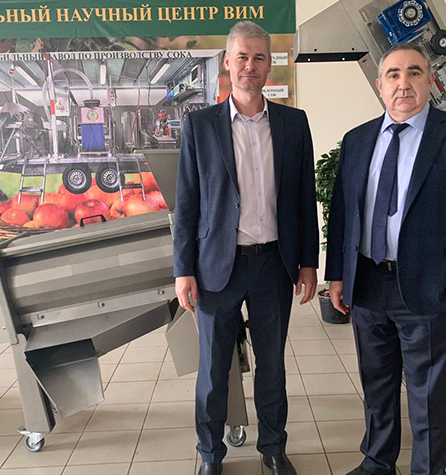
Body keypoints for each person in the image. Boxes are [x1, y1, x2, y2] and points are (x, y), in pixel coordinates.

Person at [325, 43, 446, 475]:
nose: (404, 83)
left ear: (430, 80)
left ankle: (428, 469)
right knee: (376, 382)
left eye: (415, 72)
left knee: (427, 392)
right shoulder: (357, 139)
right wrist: (337, 275)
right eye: (394, 74)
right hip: (368, 282)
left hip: (429, 284)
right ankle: (377, 461)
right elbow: (342, 213)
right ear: (380, 85)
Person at [173, 21, 319, 475]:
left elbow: (304, 196)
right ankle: (210, 454)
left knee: (272, 365)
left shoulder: (293, 124)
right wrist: (183, 269)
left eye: (259, 57)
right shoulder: (200, 126)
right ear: (227, 63)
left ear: (270, 63)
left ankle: (273, 447)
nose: (250, 66)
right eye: (242, 57)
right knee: (213, 370)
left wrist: (309, 262)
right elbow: (187, 202)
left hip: (275, 263)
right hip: (217, 267)